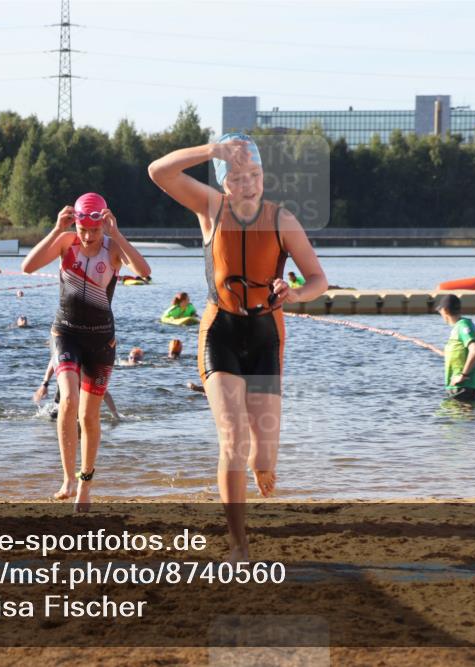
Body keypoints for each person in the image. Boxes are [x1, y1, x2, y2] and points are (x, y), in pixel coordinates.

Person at [149, 132, 328, 560]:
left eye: (255, 175)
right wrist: (210, 151)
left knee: (262, 456)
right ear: (224, 181)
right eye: (238, 176)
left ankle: (259, 469)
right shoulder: (211, 208)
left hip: (266, 335)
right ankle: (238, 543)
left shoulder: (282, 219)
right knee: (233, 439)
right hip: (220, 331)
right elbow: (159, 171)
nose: (248, 184)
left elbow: (318, 280)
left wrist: (296, 293)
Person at [22, 192, 150, 509]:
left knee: (89, 415)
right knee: (68, 398)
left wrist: (117, 234)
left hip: (101, 341)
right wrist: (55, 230)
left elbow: (145, 271)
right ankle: (66, 478)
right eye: (83, 230)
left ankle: (84, 485)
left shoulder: (113, 248)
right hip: (65, 332)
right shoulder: (66, 243)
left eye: (95, 231)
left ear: (103, 225)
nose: (89, 237)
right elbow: (28, 266)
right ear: (76, 224)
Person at [35, 357, 122, 422]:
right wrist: (45, 384)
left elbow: (105, 395)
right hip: (61, 405)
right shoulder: (68, 372)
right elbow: (55, 359)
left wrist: (115, 415)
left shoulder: (90, 378)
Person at [434, 294, 475, 404]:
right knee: (462, 419)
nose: (441, 315)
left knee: (446, 419)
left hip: (462, 388)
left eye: (440, 312)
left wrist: (463, 375)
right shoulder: (460, 326)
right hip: (462, 388)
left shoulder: (463, 326)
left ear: (445, 310)